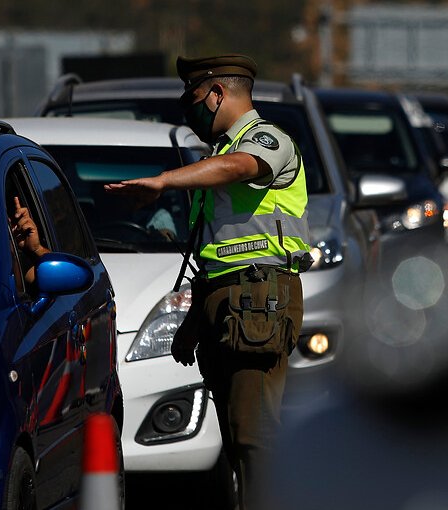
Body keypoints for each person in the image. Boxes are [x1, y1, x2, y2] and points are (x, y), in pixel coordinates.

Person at [104, 54, 311, 509]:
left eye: (193, 96)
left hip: (258, 300)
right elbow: (215, 256)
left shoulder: (266, 140)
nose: (187, 106)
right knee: (238, 436)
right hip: (229, 301)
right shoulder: (215, 156)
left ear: (217, 94)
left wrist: (164, 182)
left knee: (255, 436)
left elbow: (241, 167)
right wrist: (194, 323)